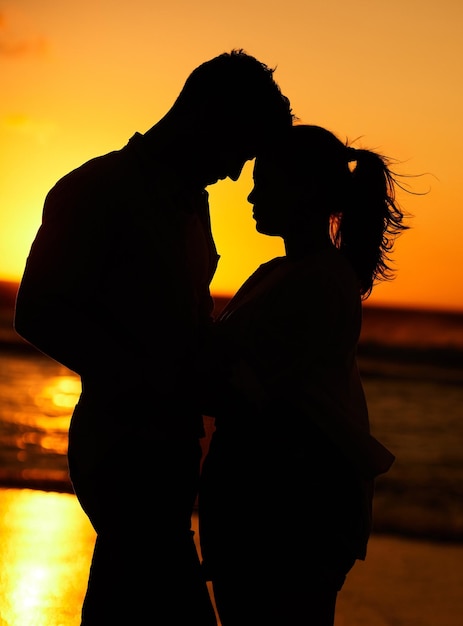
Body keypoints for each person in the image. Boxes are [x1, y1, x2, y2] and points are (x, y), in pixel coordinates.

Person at [13, 50, 293, 624]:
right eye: (237, 150)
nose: (238, 172)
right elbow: (38, 312)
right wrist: (152, 378)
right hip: (121, 448)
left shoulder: (196, 200)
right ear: (204, 115)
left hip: (172, 447)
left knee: (123, 602)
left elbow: (182, 320)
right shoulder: (100, 188)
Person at [198, 124, 408, 625]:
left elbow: (244, 387)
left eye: (265, 181)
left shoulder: (320, 281)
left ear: (306, 190)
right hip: (270, 503)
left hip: (291, 511)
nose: (250, 195)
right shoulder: (280, 272)